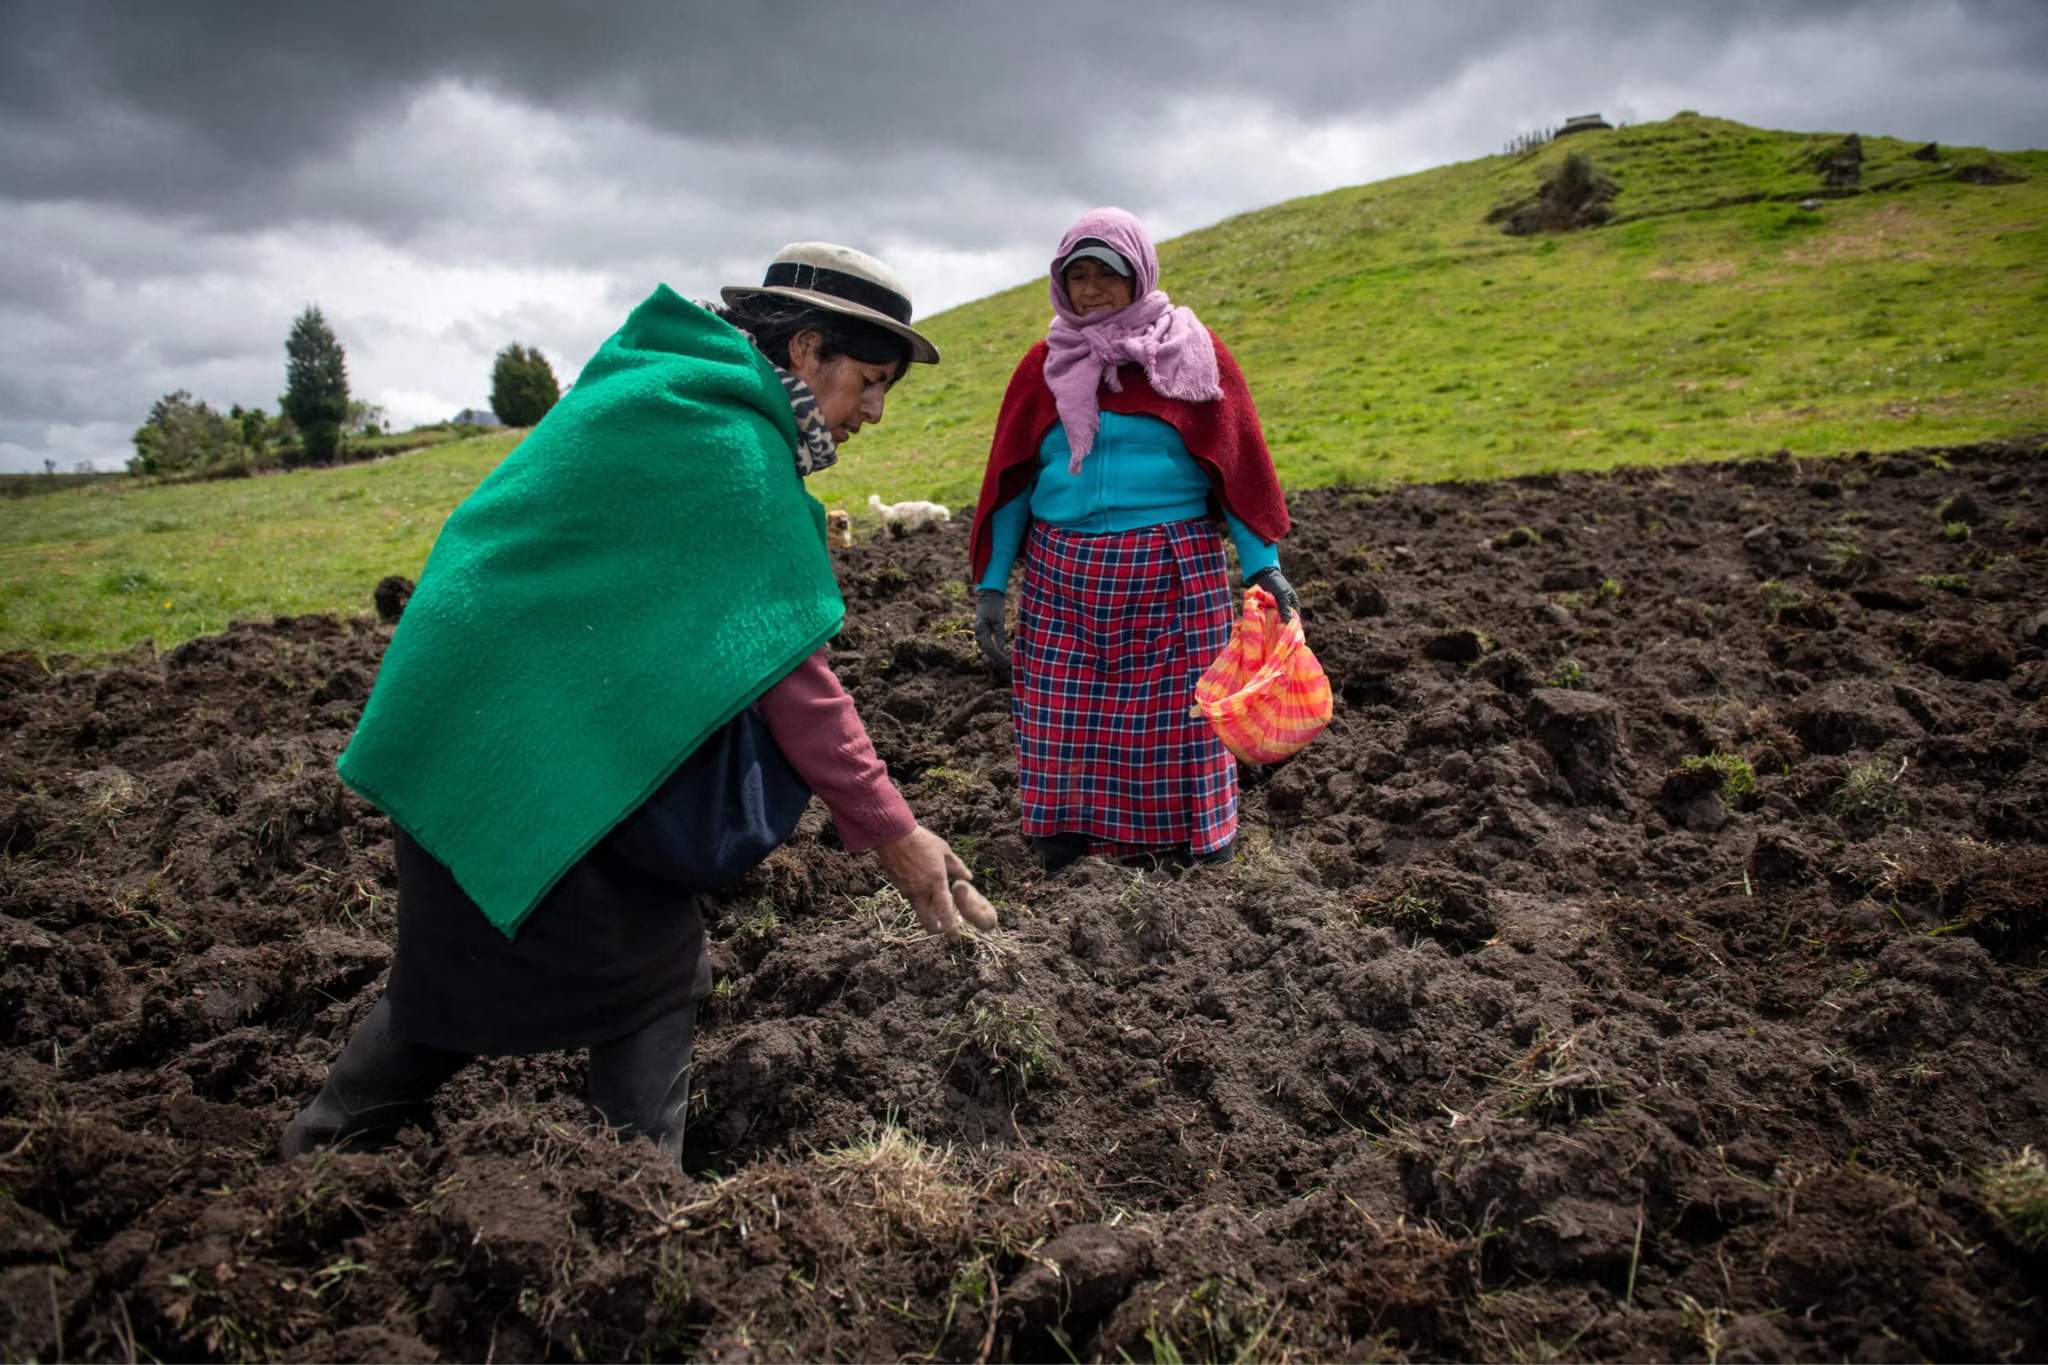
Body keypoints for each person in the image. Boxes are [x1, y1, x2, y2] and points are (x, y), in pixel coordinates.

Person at [283, 243, 996, 1166]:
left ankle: (328, 1149)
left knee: (465, 970)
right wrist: (896, 832)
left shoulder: (672, 394)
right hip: (519, 744)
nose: (873, 411)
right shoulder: (732, 453)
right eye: (867, 380)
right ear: (809, 348)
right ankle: (640, 1200)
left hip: (493, 722)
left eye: (886, 389)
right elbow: (794, 678)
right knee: (635, 974)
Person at [968, 207, 1295, 873]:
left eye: (1106, 275)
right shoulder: (1043, 366)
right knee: (1062, 714)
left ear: (1139, 275)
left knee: (1178, 718)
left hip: (1173, 569)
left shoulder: (1194, 354)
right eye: (1076, 275)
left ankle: (1194, 846)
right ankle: (1062, 842)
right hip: (1063, 576)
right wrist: (992, 587)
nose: (1090, 291)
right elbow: (1013, 483)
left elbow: (1236, 464)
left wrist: (1264, 565)